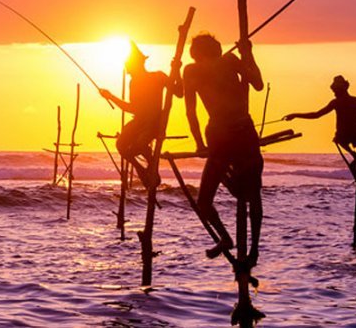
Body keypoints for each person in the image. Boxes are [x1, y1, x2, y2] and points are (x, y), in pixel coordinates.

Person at [183, 33, 264, 265]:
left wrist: (199, 142)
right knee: (252, 196)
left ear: (196, 53)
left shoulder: (194, 70)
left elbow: (191, 112)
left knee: (206, 201)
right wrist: (248, 55)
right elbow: (257, 83)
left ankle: (234, 242)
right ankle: (250, 250)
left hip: (226, 136)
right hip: (235, 134)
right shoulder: (227, 62)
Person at [99, 42, 181, 189]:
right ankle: (142, 167)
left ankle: (149, 161)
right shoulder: (134, 82)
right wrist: (110, 96)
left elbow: (179, 93)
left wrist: (177, 71)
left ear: (137, 64)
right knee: (121, 145)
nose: (127, 70)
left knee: (137, 147)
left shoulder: (158, 76)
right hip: (139, 121)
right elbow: (132, 108)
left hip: (153, 123)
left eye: (129, 65)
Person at [284, 75, 356, 172]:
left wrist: (295, 115)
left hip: (343, 135)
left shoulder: (336, 102)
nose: (334, 93)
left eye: (335, 91)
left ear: (340, 90)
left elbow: (316, 115)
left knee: (341, 141)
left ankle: (355, 158)